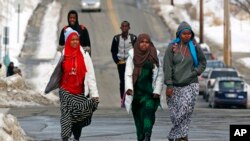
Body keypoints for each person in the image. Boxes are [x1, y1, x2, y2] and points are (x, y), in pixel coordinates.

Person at [45, 27, 99, 141]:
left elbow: (90, 76)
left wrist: (94, 94)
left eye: (76, 39)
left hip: (79, 91)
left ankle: (76, 136)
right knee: (66, 114)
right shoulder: (63, 55)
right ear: (68, 41)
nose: (74, 41)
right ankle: (65, 137)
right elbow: (55, 71)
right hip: (65, 90)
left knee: (78, 115)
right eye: (72, 39)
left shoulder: (84, 55)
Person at [163, 21, 206, 141]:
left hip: (191, 83)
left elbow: (203, 62)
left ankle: (176, 135)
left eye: (189, 33)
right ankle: (182, 135)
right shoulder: (172, 47)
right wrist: (169, 84)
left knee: (186, 109)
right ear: (179, 34)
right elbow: (167, 66)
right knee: (176, 114)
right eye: (184, 34)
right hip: (175, 85)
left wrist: (196, 72)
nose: (187, 36)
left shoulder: (194, 46)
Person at [124, 33, 163, 141]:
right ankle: (141, 136)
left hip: (150, 94)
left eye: (147, 42)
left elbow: (160, 75)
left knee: (148, 112)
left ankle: (147, 134)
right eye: (142, 42)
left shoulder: (154, 56)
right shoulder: (132, 56)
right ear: (138, 43)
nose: (144, 44)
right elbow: (128, 74)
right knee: (138, 120)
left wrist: (157, 91)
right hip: (136, 94)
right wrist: (129, 89)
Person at [111, 21, 137, 107]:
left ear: (129, 28)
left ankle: (132, 99)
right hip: (121, 63)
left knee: (131, 81)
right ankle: (123, 99)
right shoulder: (116, 38)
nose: (124, 28)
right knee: (123, 81)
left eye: (126, 26)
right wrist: (116, 60)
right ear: (121, 28)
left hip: (130, 64)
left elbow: (137, 50)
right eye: (123, 26)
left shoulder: (133, 38)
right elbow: (113, 50)